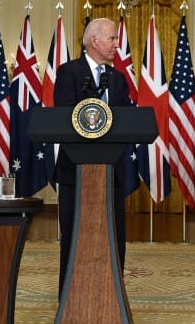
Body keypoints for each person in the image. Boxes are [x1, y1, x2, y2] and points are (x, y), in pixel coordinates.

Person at [53, 18, 131, 295]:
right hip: (75, 171)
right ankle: (71, 296)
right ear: (94, 40)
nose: (116, 44)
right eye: (112, 39)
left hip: (112, 172)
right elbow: (65, 117)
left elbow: (126, 122)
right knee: (74, 237)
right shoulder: (69, 73)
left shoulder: (119, 80)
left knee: (114, 237)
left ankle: (111, 294)